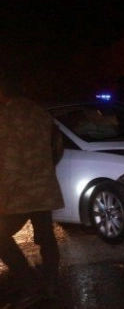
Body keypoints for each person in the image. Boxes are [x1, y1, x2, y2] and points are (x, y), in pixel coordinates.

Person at [0, 72, 65, 307]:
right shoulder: (41, 113)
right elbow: (58, 145)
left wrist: (3, 196)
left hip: (18, 192)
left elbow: (9, 162)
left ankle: (30, 284)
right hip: (43, 188)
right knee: (46, 237)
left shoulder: (5, 116)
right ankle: (50, 285)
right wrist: (46, 170)